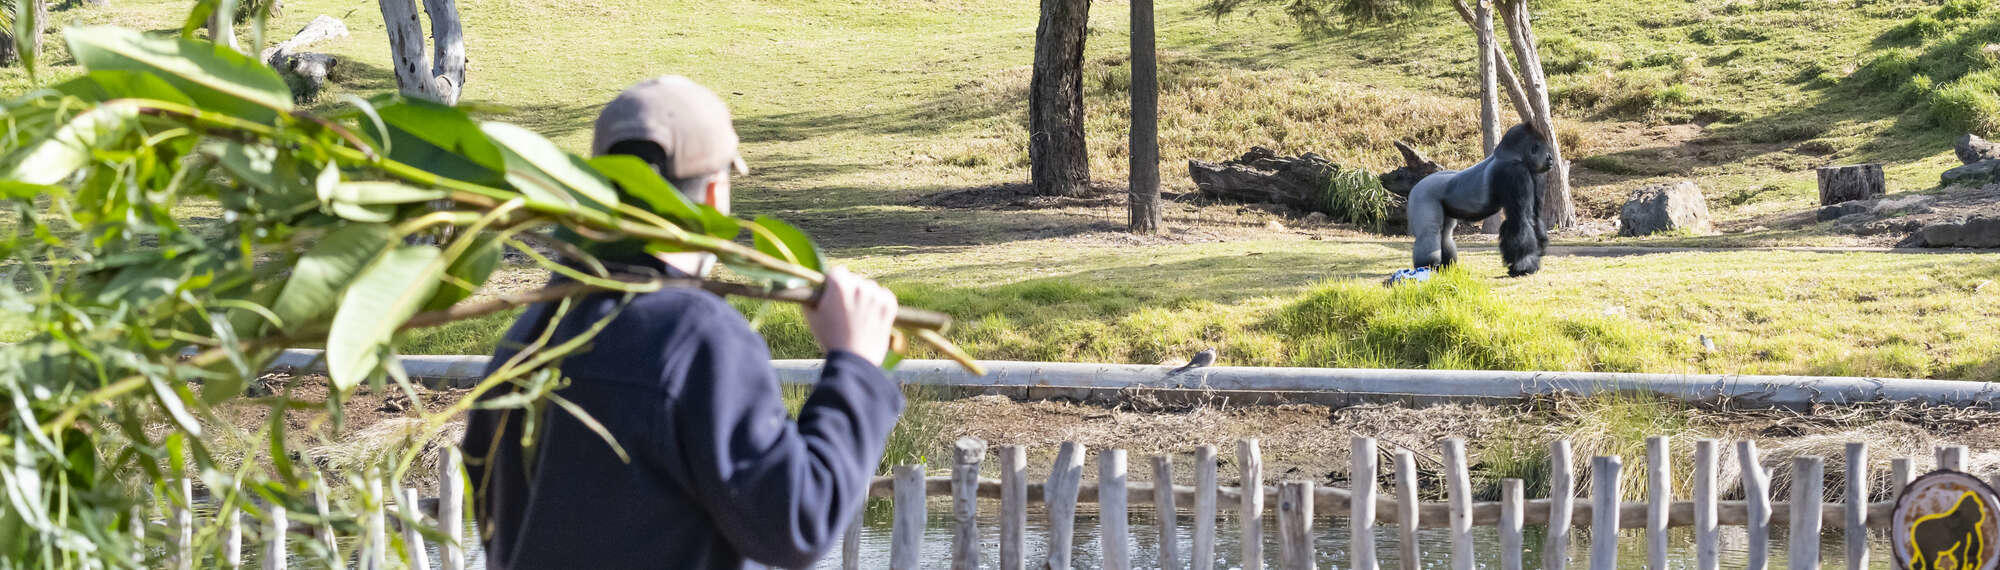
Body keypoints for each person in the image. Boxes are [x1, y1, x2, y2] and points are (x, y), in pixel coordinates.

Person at [461, 76, 905, 570]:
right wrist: (856, 369)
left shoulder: (529, 332)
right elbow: (797, 522)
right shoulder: (694, 337)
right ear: (715, 194)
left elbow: (492, 514)